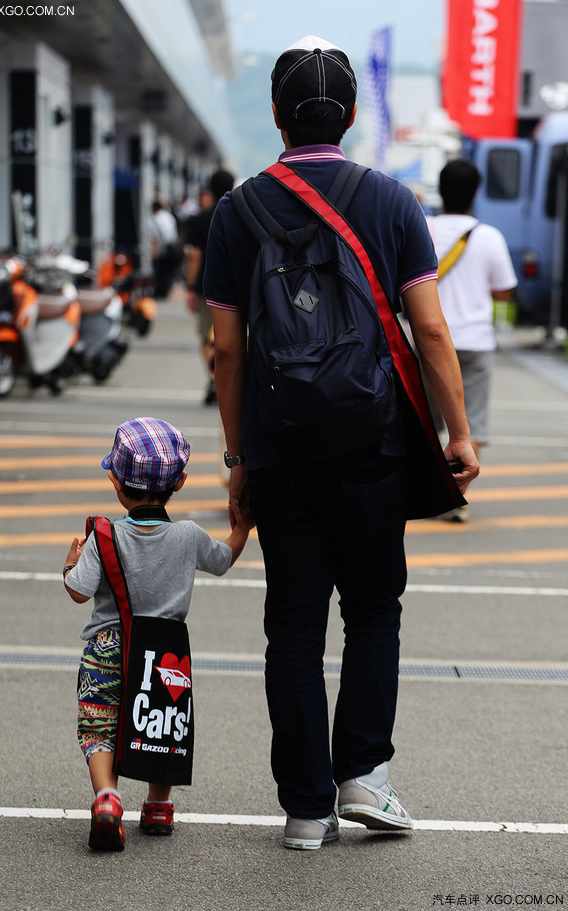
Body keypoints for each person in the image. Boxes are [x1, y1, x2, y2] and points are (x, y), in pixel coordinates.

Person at [204, 36, 479, 851]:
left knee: (291, 625)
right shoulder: (392, 202)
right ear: (352, 115)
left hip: (280, 450)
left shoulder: (236, 211)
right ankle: (366, 776)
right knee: (372, 612)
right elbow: (429, 329)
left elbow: (227, 349)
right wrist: (457, 433)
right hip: (374, 444)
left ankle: (303, 807)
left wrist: (237, 459)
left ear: (278, 116)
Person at [63, 416, 253, 851]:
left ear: (115, 481)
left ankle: (108, 798)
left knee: (98, 725)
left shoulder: (104, 536)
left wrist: (70, 564)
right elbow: (223, 560)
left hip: (107, 648)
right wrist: (243, 528)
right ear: (180, 482)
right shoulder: (188, 535)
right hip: (164, 652)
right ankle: (158, 807)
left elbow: (77, 591)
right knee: (161, 726)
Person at [427, 158, 517, 521]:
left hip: (430, 340)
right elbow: (505, 291)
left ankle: (434, 489)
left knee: (429, 421)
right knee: (472, 424)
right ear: (475, 193)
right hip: (476, 343)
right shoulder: (489, 236)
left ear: (441, 190)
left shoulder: (424, 227)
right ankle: (456, 494)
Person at [185, 169, 235, 404]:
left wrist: (190, 286)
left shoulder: (200, 218)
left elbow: (194, 255)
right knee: (232, 336)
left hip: (207, 286)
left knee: (207, 335)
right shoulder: (240, 215)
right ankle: (229, 380)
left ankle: (214, 380)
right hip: (236, 285)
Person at [148, 198, 181, 299]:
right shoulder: (168, 216)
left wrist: (154, 253)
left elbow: (155, 238)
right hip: (173, 246)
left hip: (163, 249)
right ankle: (166, 291)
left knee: (160, 272)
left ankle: (160, 292)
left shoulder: (154, 218)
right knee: (168, 272)